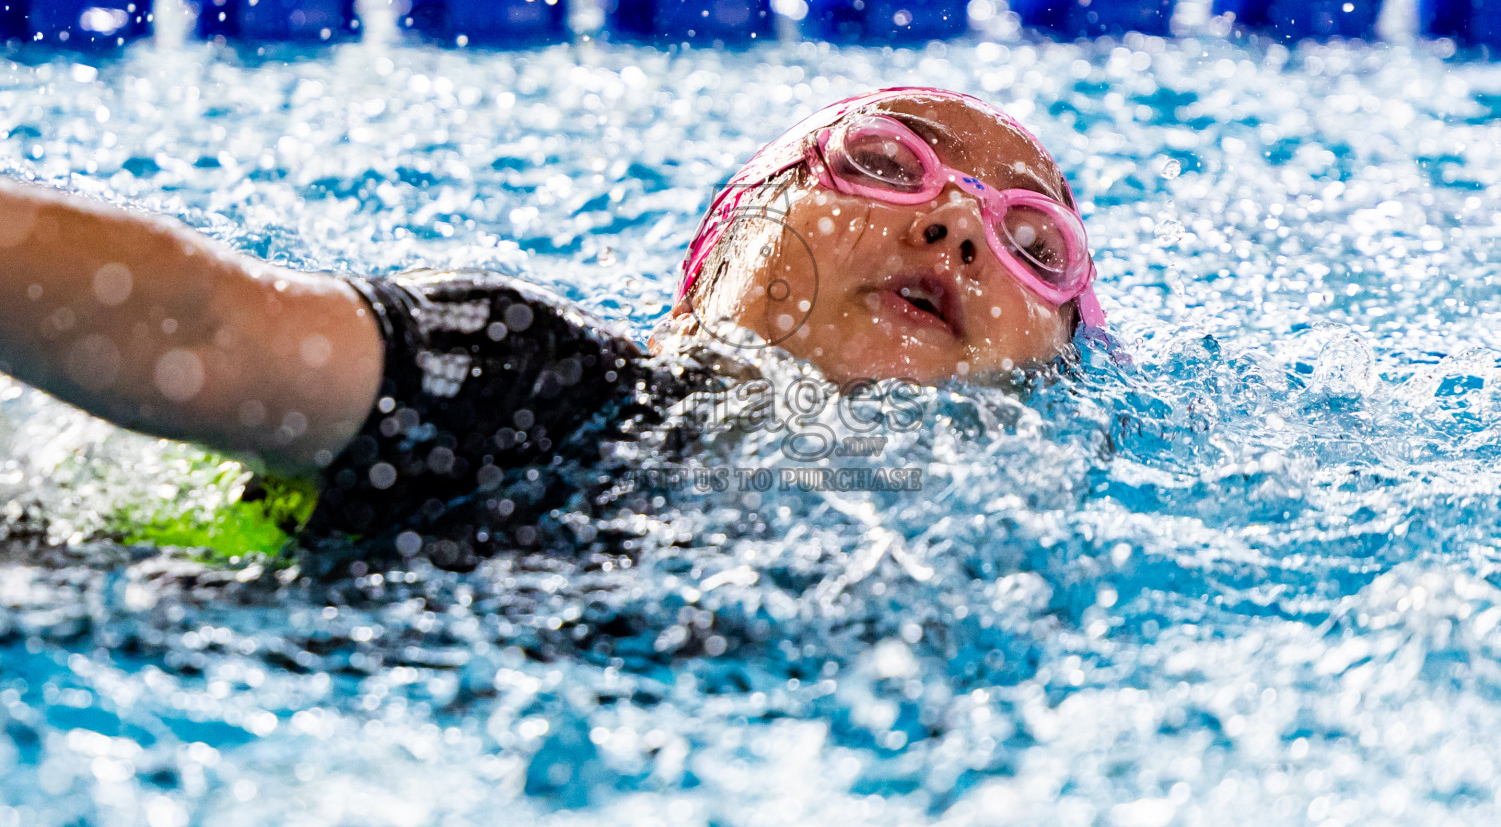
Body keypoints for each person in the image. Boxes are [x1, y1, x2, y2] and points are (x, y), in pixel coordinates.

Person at [0, 87, 1104, 567]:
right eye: (885, 161)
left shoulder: (1017, 579)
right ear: (717, 254)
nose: (959, 220)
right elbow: (210, 327)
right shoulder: (529, 381)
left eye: (1032, 240)